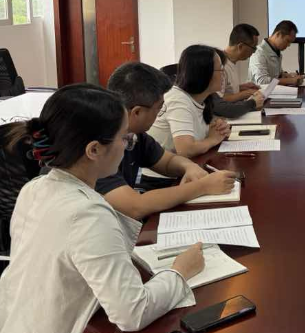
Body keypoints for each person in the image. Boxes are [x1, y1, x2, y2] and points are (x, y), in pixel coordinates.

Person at [0, 84, 204, 333]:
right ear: (93, 150)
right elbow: (132, 312)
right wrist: (179, 273)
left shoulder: (35, 188)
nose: (127, 146)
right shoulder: (88, 214)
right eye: (123, 139)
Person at [97, 62, 236, 220]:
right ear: (137, 112)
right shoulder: (101, 146)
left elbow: (167, 161)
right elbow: (135, 206)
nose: (160, 113)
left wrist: (189, 167)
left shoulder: (134, 135)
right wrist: (203, 186)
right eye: (160, 108)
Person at [147, 44, 231, 160]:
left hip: (186, 165)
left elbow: (198, 136)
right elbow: (186, 150)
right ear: (204, 73)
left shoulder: (201, 99)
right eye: (220, 69)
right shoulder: (178, 99)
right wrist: (213, 139)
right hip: (165, 171)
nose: (223, 75)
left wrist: (218, 129)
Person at [248, 20, 301, 86]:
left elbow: (276, 75)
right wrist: (290, 81)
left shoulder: (277, 52)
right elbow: (262, 81)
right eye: (287, 41)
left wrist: (287, 75)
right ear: (278, 34)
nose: (288, 45)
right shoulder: (258, 53)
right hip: (259, 92)